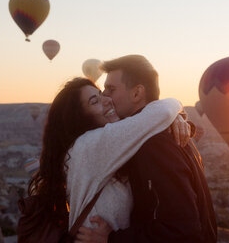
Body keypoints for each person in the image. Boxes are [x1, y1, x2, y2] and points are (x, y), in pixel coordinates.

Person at [25, 77, 190, 241]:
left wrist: (171, 120)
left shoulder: (101, 148)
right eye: (94, 101)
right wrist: (176, 109)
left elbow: (153, 121)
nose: (106, 101)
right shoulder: (90, 145)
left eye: (101, 94)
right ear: (79, 117)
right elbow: (163, 112)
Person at [76, 55, 217, 243]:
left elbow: (181, 228)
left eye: (111, 89)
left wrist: (112, 239)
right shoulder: (158, 133)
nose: (104, 97)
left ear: (137, 93)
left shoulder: (154, 143)